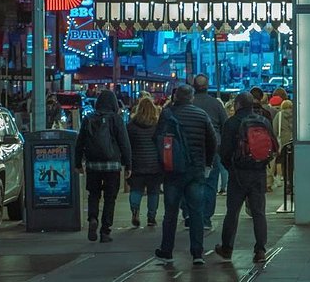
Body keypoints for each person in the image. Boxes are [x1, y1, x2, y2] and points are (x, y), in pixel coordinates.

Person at [154, 84, 218, 267]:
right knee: (196, 211)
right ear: (191, 98)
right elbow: (212, 141)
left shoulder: (167, 115)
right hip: (195, 171)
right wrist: (207, 163)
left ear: (175, 97)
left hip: (172, 171)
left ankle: (167, 251)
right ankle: (197, 253)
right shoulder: (201, 115)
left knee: (170, 213)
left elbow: (157, 140)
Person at [215, 90, 277, 265]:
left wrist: (231, 168)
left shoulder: (231, 123)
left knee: (232, 212)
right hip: (258, 173)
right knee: (259, 213)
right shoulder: (263, 121)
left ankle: (227, 248)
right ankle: (260, 251)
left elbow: (224, 152)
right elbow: (272, 147)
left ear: (238, 105)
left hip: (238, 175)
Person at [75, 88, 131, 243]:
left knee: (93, 194)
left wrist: (78, 162)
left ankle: (93, 218)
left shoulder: (89, 119)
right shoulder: (116, 119)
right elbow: (124, 143)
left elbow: (80, 142)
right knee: (110, 198)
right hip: (112, 165)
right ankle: (105, 231)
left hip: (93, 165)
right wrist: (128, 165)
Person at [192, 73, 228, 232]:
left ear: (194, 86)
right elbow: (225, 125)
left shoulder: (188, 103)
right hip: (213, 148)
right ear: (207, 86)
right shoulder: (216, 104)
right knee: (211, 183)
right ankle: (206, 218)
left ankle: (191, 215)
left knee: (191, 182)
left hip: (192, 148)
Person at [126, 96, 162, 228]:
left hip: (137, 164)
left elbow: (127, 145)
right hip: (155, 164)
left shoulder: (131, 126)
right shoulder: (158, 125)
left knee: (136, 190)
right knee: (153, 192)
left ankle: (135, 210)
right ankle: (151, 217)